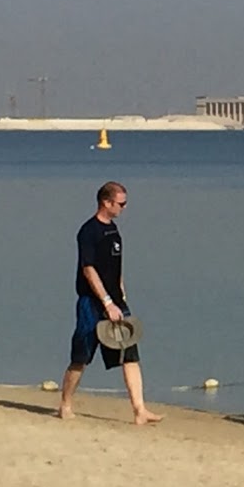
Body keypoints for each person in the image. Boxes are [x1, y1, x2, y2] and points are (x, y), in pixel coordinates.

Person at [58, 181, 162, 425]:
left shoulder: (114, 230)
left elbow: (115, 268)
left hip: (116, 301)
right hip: (92, 303)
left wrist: (121, 295)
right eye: (121, 203)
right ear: (107, 202)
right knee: (81, 356)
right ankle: (65, 404)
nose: (124, 208)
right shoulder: (89, 231)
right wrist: (106, 302)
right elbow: (89, 269)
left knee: (130, 355)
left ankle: (140, 410)